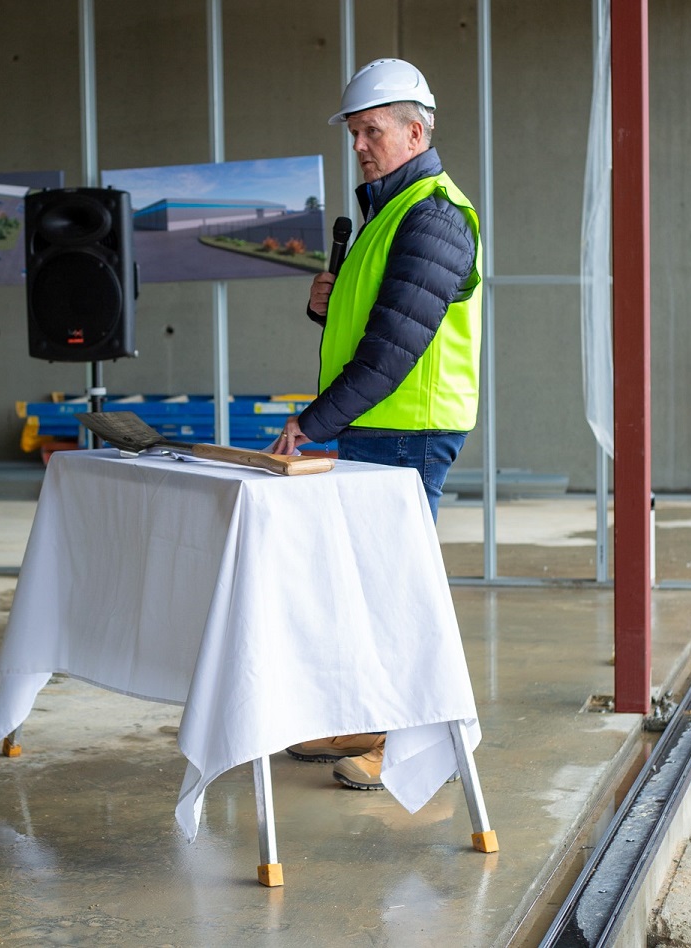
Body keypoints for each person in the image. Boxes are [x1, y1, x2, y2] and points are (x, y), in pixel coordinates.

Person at [273, 59, 482, 790]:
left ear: (415, 130)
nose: (360, 145)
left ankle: (417, 746)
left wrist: (313, 423)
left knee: (402, 594)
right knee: (365, 589)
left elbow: (395, 348)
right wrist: (323, 307)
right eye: (355, 133)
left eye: (372, 131)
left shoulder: (436, 215)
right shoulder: (384, 213)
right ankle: (373, 717)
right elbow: (369, 322)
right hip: (377, 428)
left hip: (411, 430)